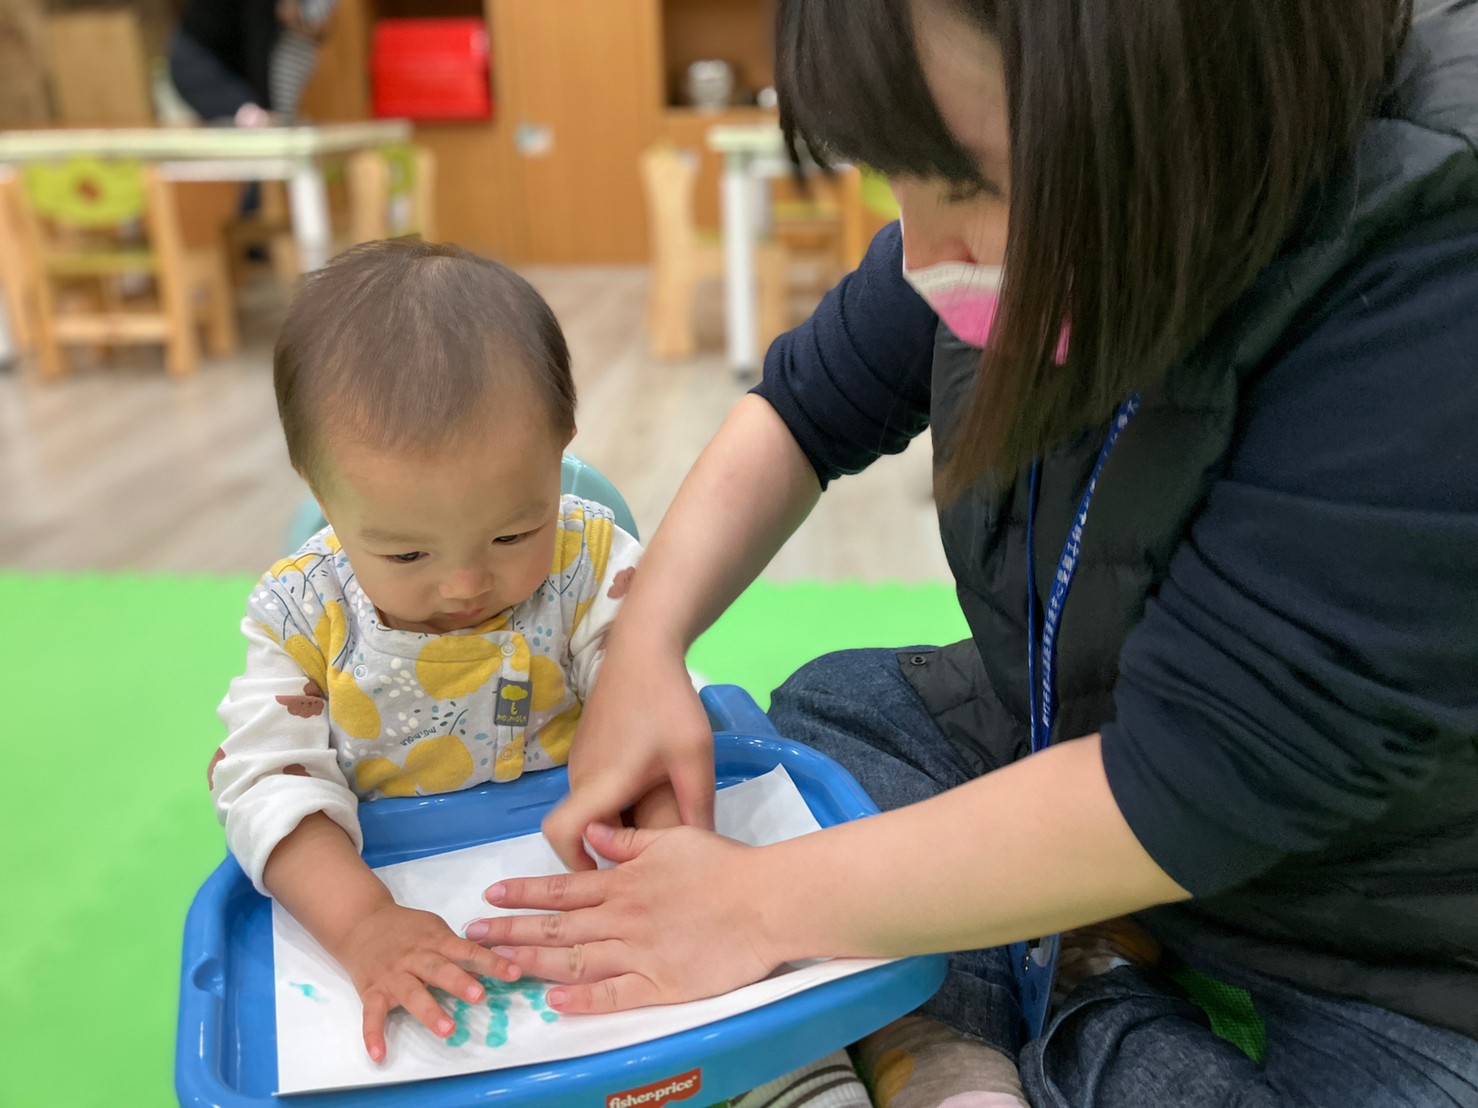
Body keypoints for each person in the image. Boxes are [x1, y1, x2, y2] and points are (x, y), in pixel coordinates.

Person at [462, 1, 1478, 1105]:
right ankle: (1025, 990)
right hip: (1115, 755)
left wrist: (750, 904)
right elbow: (802, 410)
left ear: (1177, 92)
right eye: (903, 179)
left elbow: (1194, 780)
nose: (924, 247)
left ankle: (1065, 998)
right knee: (839, 713)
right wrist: (645, 642)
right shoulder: (1051, 193)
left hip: (1390, 940)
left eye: (976, 185)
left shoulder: (1432, 271)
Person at [207, 240, 642, 1062]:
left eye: (515, 532)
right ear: (316, 484)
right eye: (407, 555)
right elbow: (261, 781)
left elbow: (649, 701)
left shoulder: (591, 567)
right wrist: (362, 923)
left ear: (560, 448)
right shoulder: (302, 615)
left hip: (578, 880)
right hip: (379, 887)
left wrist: (657, 849)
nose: (464, 585)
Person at [170, 0, 338, 126]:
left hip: (231, 60)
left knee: (263, 124)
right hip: (199, 62)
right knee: (258, 124)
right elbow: (258, 49)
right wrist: (270, 112)